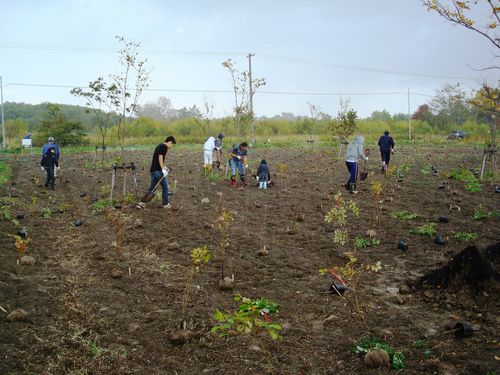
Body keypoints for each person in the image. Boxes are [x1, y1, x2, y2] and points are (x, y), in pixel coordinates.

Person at [139, 136, 176, 209]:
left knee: (152, 188)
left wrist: (163, 167)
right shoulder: (164, 146)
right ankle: (166, 204)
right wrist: (162, 169)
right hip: (158, 171)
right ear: (170, 142)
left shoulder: (159, 145)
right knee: (165, 187)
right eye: (172, 145)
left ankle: (142, 202)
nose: (171, 147)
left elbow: (157, 159)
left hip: (153, 170)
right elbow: (160, 157)